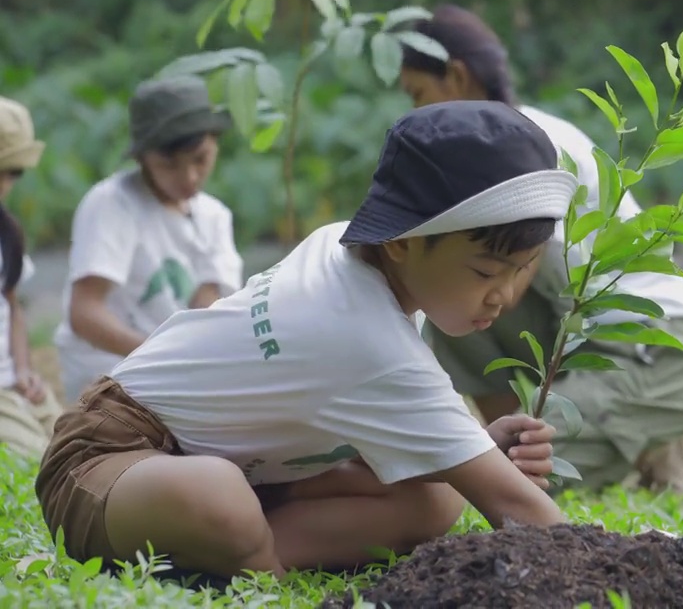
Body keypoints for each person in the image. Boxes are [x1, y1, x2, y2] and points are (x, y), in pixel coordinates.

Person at [35, 100, 576, 579]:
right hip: (106, 459)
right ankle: (259, 566)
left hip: (244, 469)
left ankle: (238, 550)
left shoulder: (340, 252)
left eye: (520, 270)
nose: (502, 295)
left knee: (434, 502)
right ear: (403, 245)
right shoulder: (362, 335)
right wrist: (614, 571)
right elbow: (511, 503)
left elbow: (400, 420)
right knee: (217, 495)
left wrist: (476, 447)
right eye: (486, 272)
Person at [398, 5, 683, 492]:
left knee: (512, 479)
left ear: (457, 77)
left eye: (418, 95)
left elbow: (520, 269)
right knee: (452, 294)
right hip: (571, 330)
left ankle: (668, 431)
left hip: (653, 350)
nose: (414, 113)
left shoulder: (520, 149)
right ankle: (642, 438)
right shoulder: (480, 152)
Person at [54, 76, 244, 400]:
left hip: (177, 375)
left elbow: (208, 307)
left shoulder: (214, 216)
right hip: (113, 376)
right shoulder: (114, 204)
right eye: (169, 165)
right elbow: (85, 311)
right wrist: (161, 359)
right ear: (142, 159)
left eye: (201, 158)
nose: (189, 177)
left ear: (216, 143)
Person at [0, 97, 62, 457]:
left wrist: (24, 370)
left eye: (12, 173)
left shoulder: (8, 232)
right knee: (37, 460)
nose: (8, 183)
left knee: (73, 440)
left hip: (13, 384)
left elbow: (13, 306)